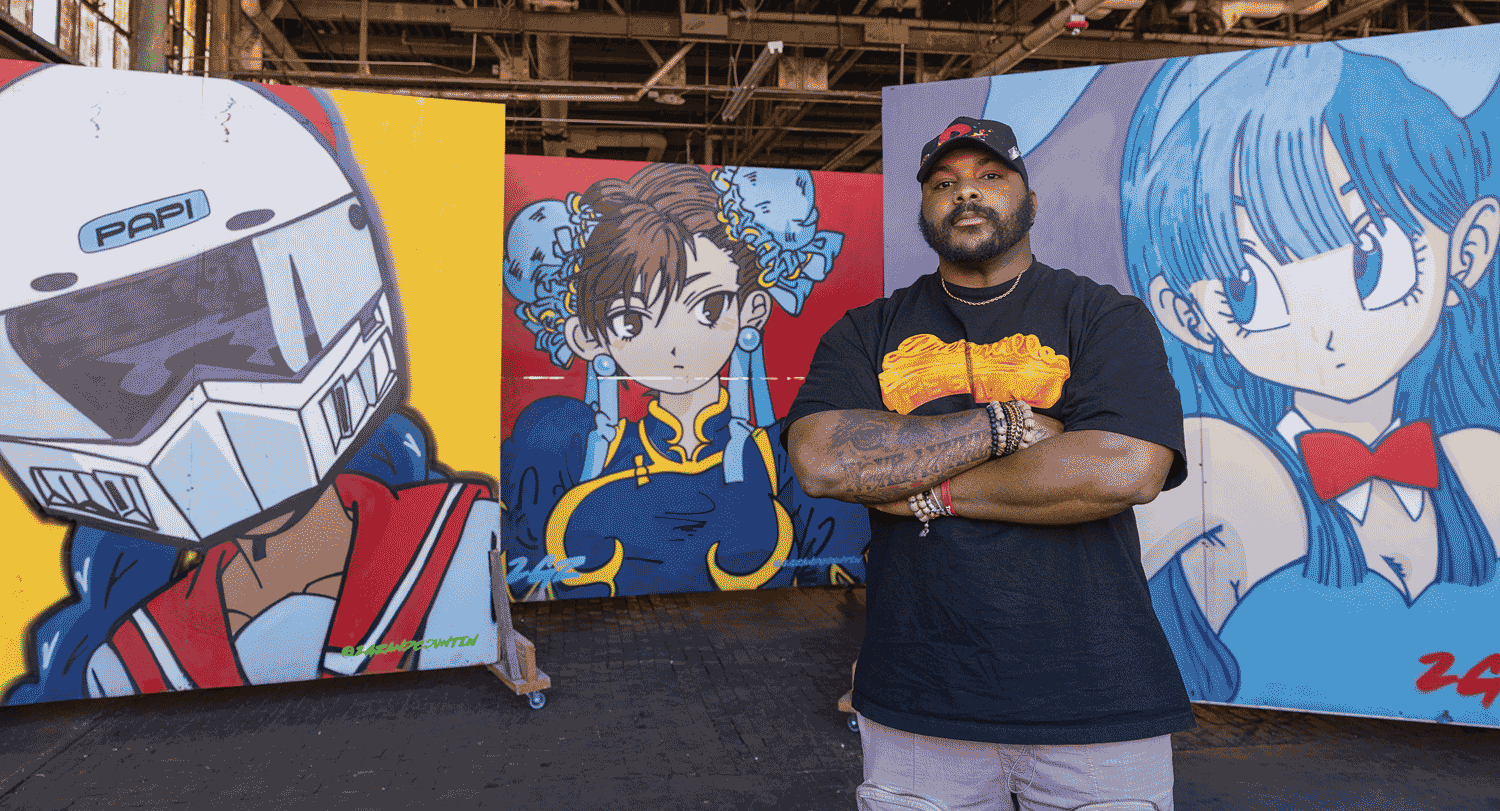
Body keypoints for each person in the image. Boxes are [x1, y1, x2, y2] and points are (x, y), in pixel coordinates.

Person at [0, 64, 497, 703]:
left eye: (238, 329)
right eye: (128, 367)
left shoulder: (465, 542)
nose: (207, 413)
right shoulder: (132, 660)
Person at [785, 116, 1193, 811]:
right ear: (924, 210)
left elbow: (1125, 468)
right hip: (917, 699)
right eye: (943, 183)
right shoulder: (867, 330)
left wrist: (924, 488)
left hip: (1098, 698)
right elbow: (825, 461)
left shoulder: (1103, 316)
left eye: (990, 176)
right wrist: (1009, 425)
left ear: (1030, 201)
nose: (965, 193)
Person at [1123, 45, 1500, 723]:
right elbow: (1057, 583)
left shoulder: (1479, 466)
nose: (1324, 326)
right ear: (1190, 316)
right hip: (1243, 764)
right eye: (1247, 286)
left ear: (1467, 249)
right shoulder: (1225, 469)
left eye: (1370, 259)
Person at [501, 163, 869, 599]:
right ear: (588, 337)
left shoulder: (791, 456)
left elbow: (839, 605)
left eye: (707, 308)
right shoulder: (563, 444)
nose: (675, 343)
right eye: (633, 319)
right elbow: (518, 597)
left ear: (752, 310)